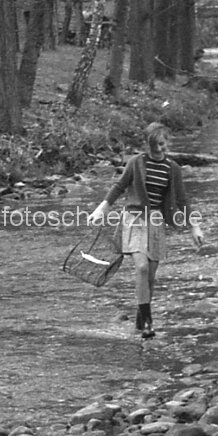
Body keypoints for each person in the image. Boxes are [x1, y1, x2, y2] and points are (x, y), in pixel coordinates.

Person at [88, 122, 203, 339]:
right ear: (147, 145)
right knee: (141, 268)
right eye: (154, 145)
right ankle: (149, 323)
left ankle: (140, 324)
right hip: (134, 219)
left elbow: (182, 200)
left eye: (162, 144)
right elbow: (119, 186)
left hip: (156, 222)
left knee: (150, 276)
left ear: (167, 142)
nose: (159, 149)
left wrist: (194, 227)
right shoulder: (136, 162)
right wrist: (101, 209)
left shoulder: (172, 168)